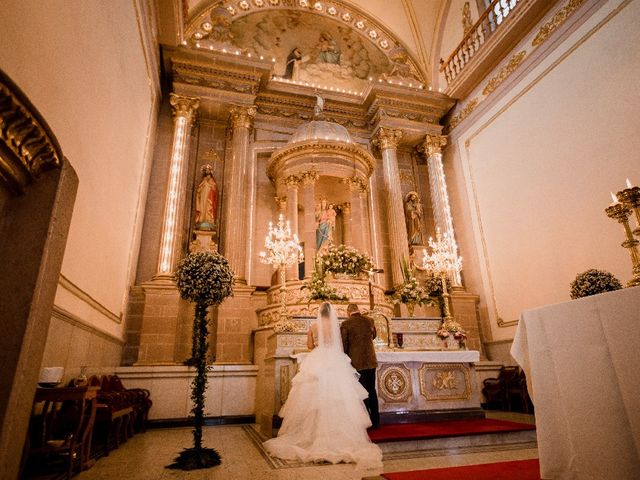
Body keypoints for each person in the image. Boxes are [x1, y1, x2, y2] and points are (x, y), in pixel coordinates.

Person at [263, 303, 382, 469]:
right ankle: (348, 431)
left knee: (313, 395)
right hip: (337, 359)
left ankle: (312, 433)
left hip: (318, 359)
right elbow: (341, 345)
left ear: (319, 313)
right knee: (345, 394)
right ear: (332, 313)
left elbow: (310, 346)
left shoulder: (313, 326)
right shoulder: (341, 325)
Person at [340, 304, 380, 429]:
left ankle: (367, 421)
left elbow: (344, 345)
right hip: (371, 360)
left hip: (356, 362)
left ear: (348, 312)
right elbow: (374, 336)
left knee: (362, 392)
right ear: (358, 310)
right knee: (372, 390)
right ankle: (376, 421)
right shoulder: (369, 320)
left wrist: (345, 357)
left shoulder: (346, 324)